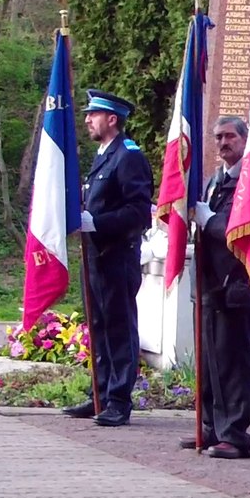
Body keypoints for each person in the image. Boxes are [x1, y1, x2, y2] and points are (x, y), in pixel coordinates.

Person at [61, 89, 153, 427]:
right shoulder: (104, 155)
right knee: (98, 327)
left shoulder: (128, 156)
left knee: (118, 327)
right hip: (96, 257)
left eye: (94, 115)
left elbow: (138, 212)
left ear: (112, 119)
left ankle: (118, 400)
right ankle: (99, 393)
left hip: (117, 257)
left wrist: (96, 223)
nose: (87, 120)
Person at [176, 116, 250, 458]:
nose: (223, 143)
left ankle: (234, 434)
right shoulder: (213, 180)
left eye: (229, 136)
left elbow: (244, 228)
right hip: (208, 284)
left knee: (232, 364)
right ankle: (209, 427)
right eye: (218, 137)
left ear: (244, 140)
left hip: (232, 284)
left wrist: (210, 220)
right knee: (209, 363)